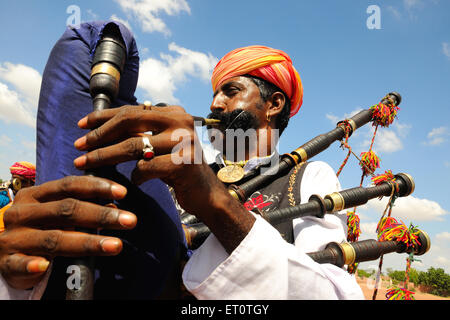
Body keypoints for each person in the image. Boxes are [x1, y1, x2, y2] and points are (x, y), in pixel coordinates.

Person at [0, 24, 363, 299]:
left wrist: (215, 202)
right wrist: (22, 277)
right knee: (92, 41)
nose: (216, 104)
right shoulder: (182, 167)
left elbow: (331, 294)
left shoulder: (308, 176)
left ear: (274, 105)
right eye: (215, 93)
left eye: (231, 91)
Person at [0, 162, 36, 232]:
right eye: (16, 181)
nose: (19, 186)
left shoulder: (35, 202)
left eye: (23, 182)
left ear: (32, 183)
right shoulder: (3, 199)